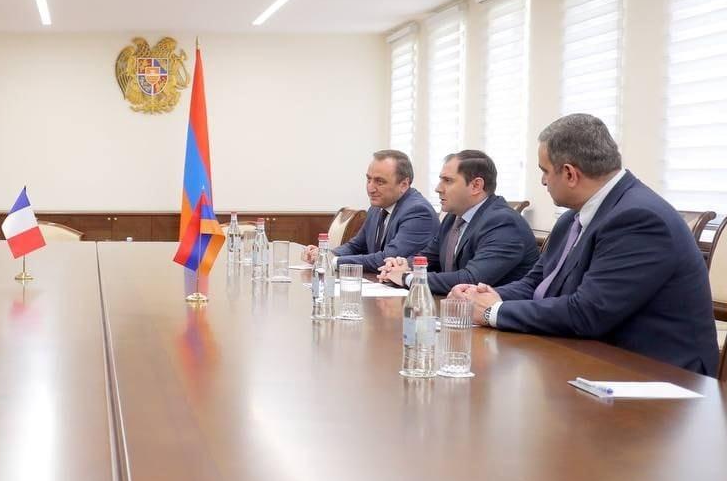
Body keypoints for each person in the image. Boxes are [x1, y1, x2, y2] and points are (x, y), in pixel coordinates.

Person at [453, 114, 718, 376]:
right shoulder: (573, 217)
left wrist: (493, 311)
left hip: (659, 375)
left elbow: (589, 312)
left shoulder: (638, 218)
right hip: (592, 356)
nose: (543, 181)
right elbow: (536, 282)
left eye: (545, 171)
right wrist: (481, 296)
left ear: (570, 173)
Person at [377, 150, 538, 295]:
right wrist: (402, 265)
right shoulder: (453, 217)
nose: (438, 188)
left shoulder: (503, 223)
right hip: (456, 308)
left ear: (476, 185)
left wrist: (406, 277)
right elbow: (427, 258)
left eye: (447, 181)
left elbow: (471, 279)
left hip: (495, 315)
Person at [304, 149, 437, 272]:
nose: (370, 188)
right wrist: (326, 254)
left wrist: (333, 261)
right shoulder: (376, 208)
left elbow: (387, 259)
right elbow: (356, 246)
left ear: (403, 185)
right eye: (369, 179)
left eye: (380, 182)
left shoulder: (418, 212)